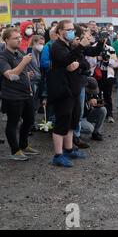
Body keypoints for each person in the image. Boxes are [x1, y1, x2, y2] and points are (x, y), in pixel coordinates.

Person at [47, 20, 89, 167]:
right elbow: (67, 62)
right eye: (68, 29)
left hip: (73, 89)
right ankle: (58, 155)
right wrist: (80, 48)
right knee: (62, 122)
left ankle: (69, 149)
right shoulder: (56, 46)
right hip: (62, 90)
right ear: (59, 32)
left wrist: (77, 60)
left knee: (72, 121)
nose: (72, 31)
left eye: (72, 29)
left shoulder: (69, 45)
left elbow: (83, 64)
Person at [0, 28, 37, 161]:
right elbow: (10, 75)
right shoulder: (3, 56)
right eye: (15, 38)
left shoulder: (20, 53)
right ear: (6, 40)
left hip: (26, 93)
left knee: (30, 120)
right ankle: (15, 151)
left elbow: (19, 72)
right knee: (13, 123)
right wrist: (23, 63)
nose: (19, 40)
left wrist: (26, 74)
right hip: (12, 96)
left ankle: (24, 145)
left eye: (19, 37)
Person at [94, 43, 118, 123]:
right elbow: (90, 61)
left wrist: (107, 60)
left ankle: (109, 114)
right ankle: (98, 115)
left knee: (108, 95)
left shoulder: (111, 49)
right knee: (97, 95)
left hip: (108, 75)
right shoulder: (93, 47)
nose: (103, 41)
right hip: (97, 74)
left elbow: (116, 63)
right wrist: (98, 58)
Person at [27, 35, 45, 129]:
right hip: (31, 81)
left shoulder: (40, 53)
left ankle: (32, 123)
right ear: (34, 43)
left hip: (39, 80)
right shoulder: (28, 51)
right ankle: (28, 124)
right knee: (31, 104)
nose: (42, 46)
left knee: (36, 104)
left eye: (43, 44)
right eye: (40, 43)